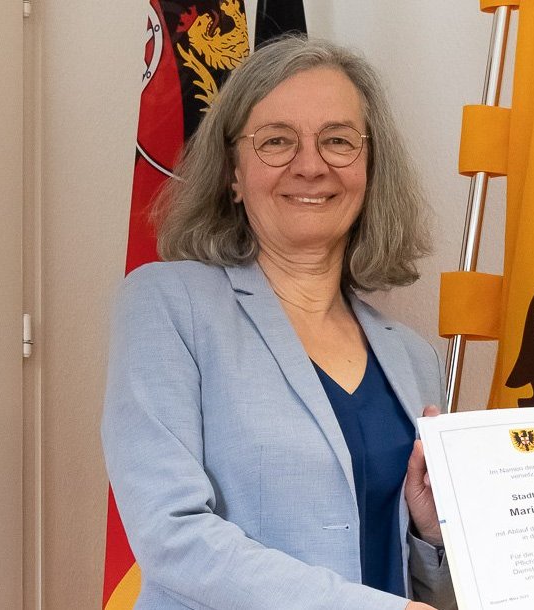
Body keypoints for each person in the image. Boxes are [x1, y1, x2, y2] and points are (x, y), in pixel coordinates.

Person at [101, 36, 455, 610]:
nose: (311, 165)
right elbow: (173, 536)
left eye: (338, 141)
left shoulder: (413, 358)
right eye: (276, 142)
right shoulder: (167, 305)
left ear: (369, 171)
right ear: (233, 175)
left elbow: (426, 588)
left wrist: (430, 534)